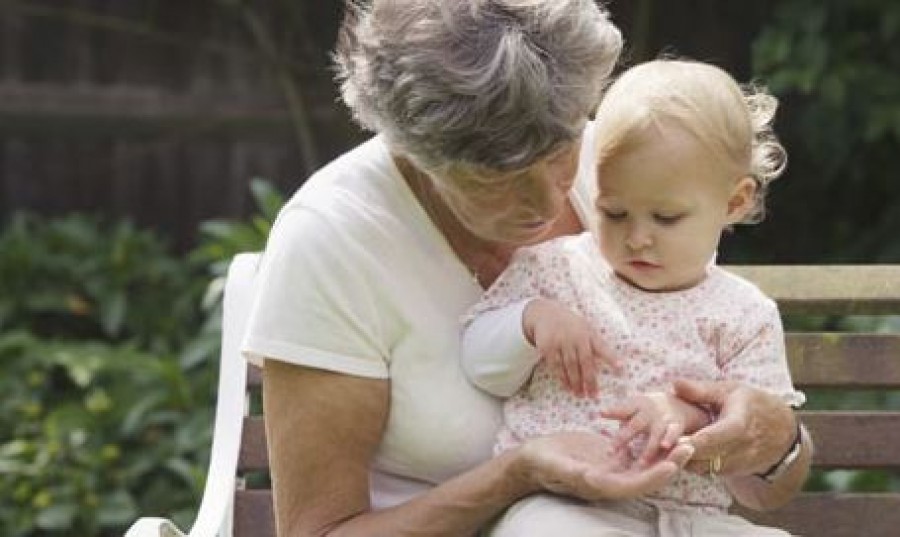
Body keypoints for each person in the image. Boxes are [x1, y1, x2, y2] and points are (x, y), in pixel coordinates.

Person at [241, 1, 811, 534]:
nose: (546, 204)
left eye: (560, 151)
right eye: (495, 179)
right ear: (413, 154)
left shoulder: (627, 166)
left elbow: (762, 478)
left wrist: (772, 438)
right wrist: (515, 475)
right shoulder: (334, 239)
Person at [461, 59, 809, 535]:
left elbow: (750, 435)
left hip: (691, 516)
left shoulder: (744, 315)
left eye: (665, 218)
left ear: (734, 202)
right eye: (614, 211)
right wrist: (530, 322)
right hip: (564, 505)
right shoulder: (554, 269)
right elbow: (480, 364)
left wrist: (687, 417)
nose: (637, 238)